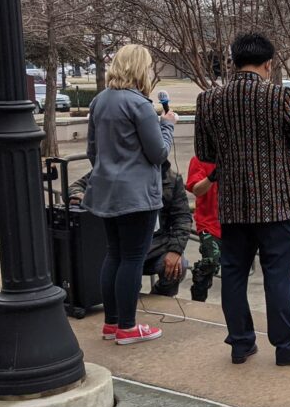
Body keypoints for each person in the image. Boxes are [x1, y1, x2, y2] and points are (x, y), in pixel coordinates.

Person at [195, 32, 290, 366]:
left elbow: (205, 152)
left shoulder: (209, 99)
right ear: (269, 63)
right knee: (277, 275)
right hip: (276, 204)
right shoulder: (278, 96)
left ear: (233, 62)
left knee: (234, 274)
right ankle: (286, 345)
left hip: (233, 205)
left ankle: (240, 342)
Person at [84, 44, 176, 345]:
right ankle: (127, 326)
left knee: (114, 254)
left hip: (106, 191)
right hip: (136, 195)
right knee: (133, 257)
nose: (151, 72)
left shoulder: (99, 101)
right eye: (149, 67)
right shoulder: (139, 106)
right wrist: (168, 126)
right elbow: (158, 153)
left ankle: (111, 323)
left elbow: (91, 151)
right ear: (139, 68)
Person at [69, 161, 192, 298]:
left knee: (178, 267)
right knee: (125, 276)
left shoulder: (171, 178)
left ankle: (156, 298)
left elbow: (183, 217)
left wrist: (175, 250)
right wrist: (80, 197)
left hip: (156, 244)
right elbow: (76, 187)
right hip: (122, 243)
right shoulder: (115, 170)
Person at [185, 155, 222, 302]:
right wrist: (211, 178)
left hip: (234, 223)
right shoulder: (199, 159)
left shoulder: (236, 155)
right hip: (209, 224)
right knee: (211, 260)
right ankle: (199, 292)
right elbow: (196, 190)